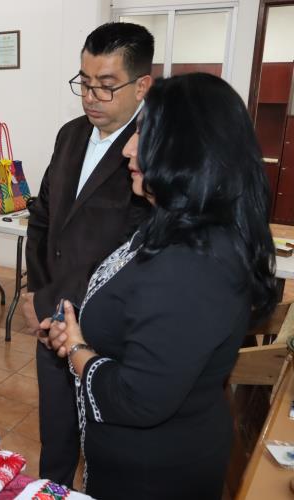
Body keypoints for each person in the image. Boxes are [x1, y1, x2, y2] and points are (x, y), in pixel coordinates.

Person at [42, 72, 277, 499]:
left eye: (144, 133)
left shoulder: (192, 263)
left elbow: (139, 398)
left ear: (188, 151)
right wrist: (80, 333)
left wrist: (78, 351)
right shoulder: (175, 225)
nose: (129, 147)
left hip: (154, 474)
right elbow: (143, 323)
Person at [22, 22, 153, 484]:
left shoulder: (151, 151)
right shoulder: (70, 135)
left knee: (109, 455)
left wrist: (89, 327)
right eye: (84, 82)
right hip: (52, 318)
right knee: (55, 443)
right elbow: (43, 218)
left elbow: (144, 252)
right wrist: (36, 291)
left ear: (142, 85)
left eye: (106, 86)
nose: (91, 96)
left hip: (109, 338)